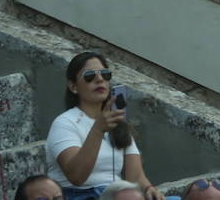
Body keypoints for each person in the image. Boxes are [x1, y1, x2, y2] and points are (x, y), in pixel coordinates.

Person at [45, 53, 159, 200]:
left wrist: (149, 188)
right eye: (90, 76)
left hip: (118, 194)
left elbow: (135, 176)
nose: (99, 80)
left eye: (105, 74)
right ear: (73, 86)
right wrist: (98, 130)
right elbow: (77, 176)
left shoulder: (116, 122)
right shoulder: (65, 123)